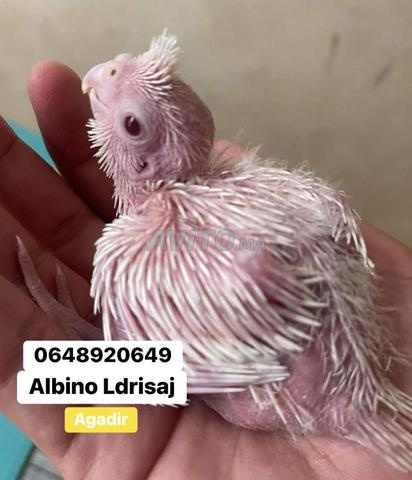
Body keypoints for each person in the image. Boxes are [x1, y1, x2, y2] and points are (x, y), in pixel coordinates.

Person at [0, 61, 411, 480]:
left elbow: (170, 367)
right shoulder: (259, 186)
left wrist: (106, 354)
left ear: (144, 166)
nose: (107, 72)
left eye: (133, 125)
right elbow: (324, 212)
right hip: (332, 360)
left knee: (57, 379)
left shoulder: (131, 254)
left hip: (279, 387)